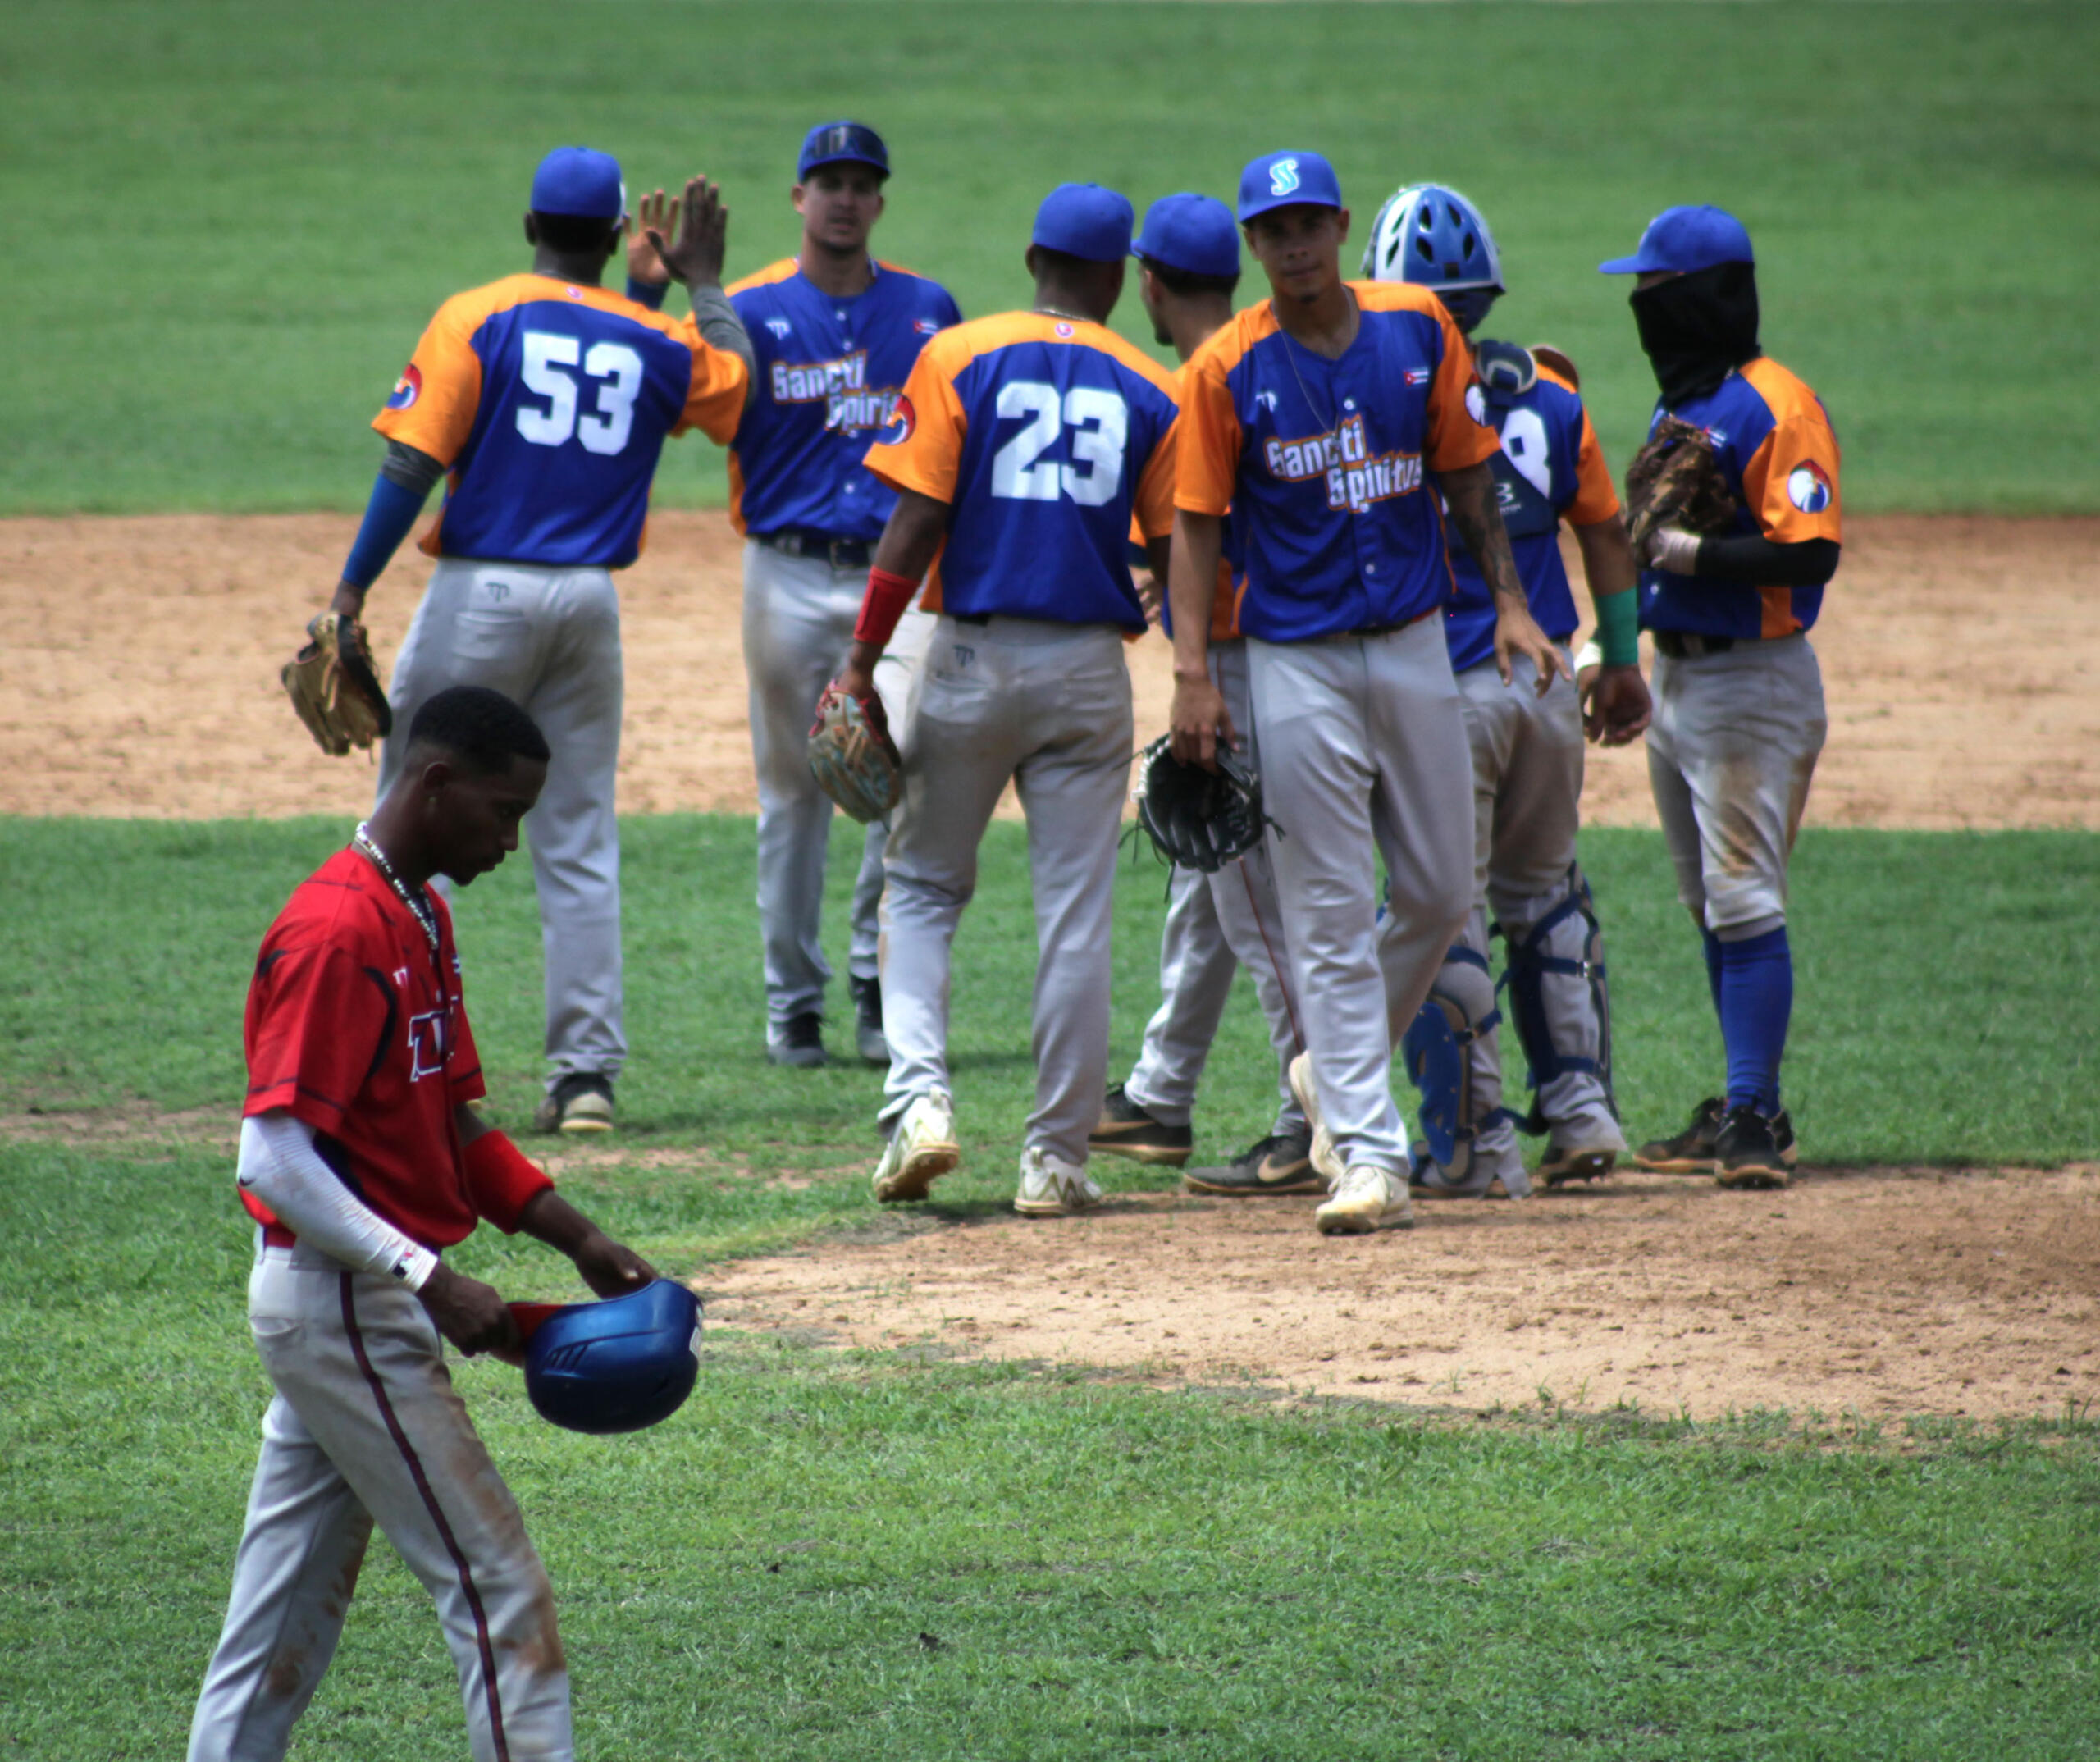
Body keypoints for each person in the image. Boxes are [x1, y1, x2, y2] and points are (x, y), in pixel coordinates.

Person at [187, 686, 659, 1762]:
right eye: (503, 811)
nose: (511, 838)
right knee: (501, 1594)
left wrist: (573, 1235)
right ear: (436, 785)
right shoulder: (336, 930)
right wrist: (429, 1278)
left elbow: (451, 1120)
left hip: (347, 1306)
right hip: (343, 1302)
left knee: (275, 1628)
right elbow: (271, 1154)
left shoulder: (418, 914)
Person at [1168, 150, 1564, 1235]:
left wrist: (1516, 606)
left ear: (1341, 226)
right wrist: (1193, 674)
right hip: (1294, 659)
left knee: (1441, 892)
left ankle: (1326, 1076)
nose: (1293, 244)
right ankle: (1367, 1154)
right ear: (1254, 245)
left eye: (1308, 223)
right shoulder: (1224, 368)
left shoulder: (1416, 330)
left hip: (1414, 642)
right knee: (1330, 909)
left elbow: (1467, 470)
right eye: (1272, 229)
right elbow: (1195, 525)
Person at [331, 148, 752, 1134]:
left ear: (529, 228)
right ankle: (586, 1077)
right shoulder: (654, 337)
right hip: (588, 610)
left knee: (410, 821)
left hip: (482, 594)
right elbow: (738, 391)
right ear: (614, 237)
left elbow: (410, 460)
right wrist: (698, 286)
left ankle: (392, 1056)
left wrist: (352, 589)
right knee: (575, 833)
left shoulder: (477, 314)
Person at [832, 183, 1181, 1217]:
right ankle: (1057, 1162)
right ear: (1119, 276)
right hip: (1087, 674)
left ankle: (921, 1105)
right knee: (1075, 918)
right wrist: (1203, 670)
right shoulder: (1149, 381)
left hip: (969, 664)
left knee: (925, 889)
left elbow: (913, 522)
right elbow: (1174, 553)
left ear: (1032, 257)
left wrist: (860, 660)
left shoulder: (959, 354)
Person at [630, 122, 961, 1068]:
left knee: (894, 785)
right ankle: (793, 1006)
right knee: (793, 798)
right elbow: (675, 383)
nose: (845, 199)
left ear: (881, 202)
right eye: (828, 182)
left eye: (862, 184)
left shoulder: (928, 308)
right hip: (783, 572)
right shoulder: (753, 308)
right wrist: (677, 289)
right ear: (798, 198)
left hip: (893, 580)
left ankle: (869, 984)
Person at [1362, 184, 1650, 1198]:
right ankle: (1581, 1113)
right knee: (1548, 894)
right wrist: (1618, 660)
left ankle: (1467, 1145)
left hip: (1449, 692)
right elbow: (1606, 533)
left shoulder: (1381, 387)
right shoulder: (1552, 393)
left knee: (1441, 911)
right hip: (1544, 687)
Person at [1600, 205, 1840, 1189]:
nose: (1640, 308)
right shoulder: (1682, 405)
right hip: (1679, 680)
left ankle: (1752, 1116)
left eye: (1654, 292)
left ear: (1702, 295)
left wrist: (1692, 552)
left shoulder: (1775, 404)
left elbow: (1813, 546)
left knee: (1742, 900)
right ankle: (1749, 1104)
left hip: (1753, 681)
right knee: (1710, 904)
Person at [1084, 194, 1317, 1198]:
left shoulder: (1200, 382)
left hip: (1234, 668)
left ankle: (1305, 1118)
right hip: (1274, 654)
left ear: (1147, 280)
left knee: (1257, 900)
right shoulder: (1257, 356)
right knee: (1204, 885)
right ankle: (1158, 1095)